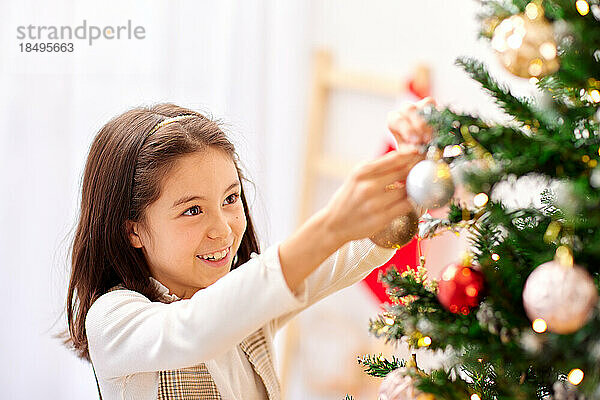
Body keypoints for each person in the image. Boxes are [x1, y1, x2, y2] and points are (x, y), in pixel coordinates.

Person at [64, 98, 434, 400]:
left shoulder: (248, 301)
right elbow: (194, 330)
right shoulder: (112, 320)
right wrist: (330, 224)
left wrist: (412, 168)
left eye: (230, 198)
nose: (223, 229)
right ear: (133, 230)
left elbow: (353, 254)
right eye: (192, 210)